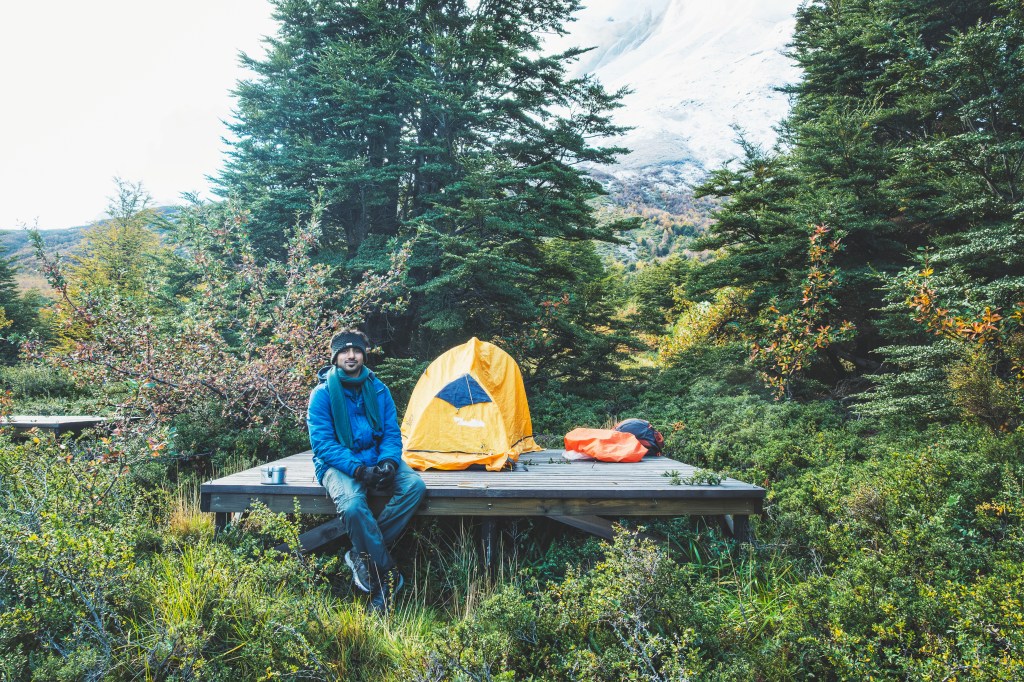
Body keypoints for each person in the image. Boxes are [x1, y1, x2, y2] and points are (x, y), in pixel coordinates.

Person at [306, 329, 426, 612]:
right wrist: (358, 470)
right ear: (335, 357)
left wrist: (389, 462)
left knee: (414, 487)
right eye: (345, 352)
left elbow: (391, 433)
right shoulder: (322, 394)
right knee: (352, 505)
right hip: (338, 464)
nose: (351, 356)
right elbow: (323, 444)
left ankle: (360, 555)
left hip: (375, 458)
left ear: (363, 355)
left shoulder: (379, 389)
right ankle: (388, 576)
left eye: (357, 351)